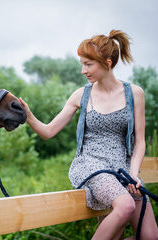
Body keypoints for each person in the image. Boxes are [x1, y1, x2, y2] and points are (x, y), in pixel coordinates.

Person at [19, 30, 158, 239]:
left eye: (88, 64)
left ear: (107, 63)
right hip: (92, 166)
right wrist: (28, 115)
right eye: (82, 64)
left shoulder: (134, 93)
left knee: (151, 236)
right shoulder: (81, 95)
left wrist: (134, 173)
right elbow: (48, 131)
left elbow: (139, 143)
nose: (83, 70)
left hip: (123, 168)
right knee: (125, 205)